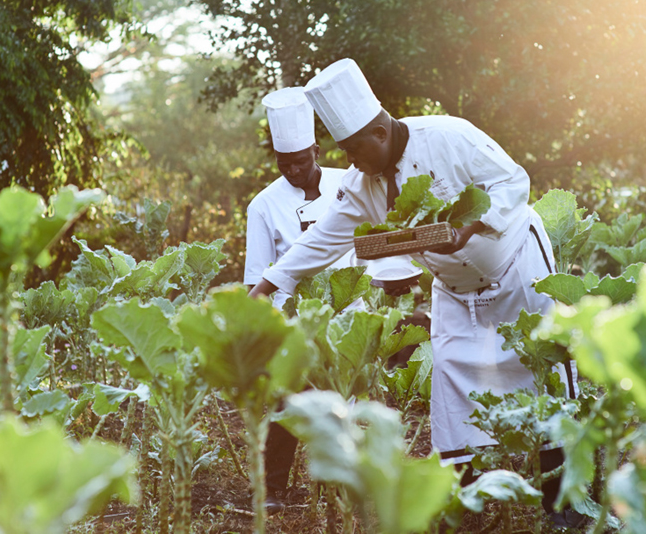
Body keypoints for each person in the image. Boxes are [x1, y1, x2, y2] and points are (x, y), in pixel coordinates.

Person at [249, 58, 579, 519]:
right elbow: (320, 239)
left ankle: (564, 503)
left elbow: (512, 181)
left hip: (518, 270)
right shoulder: (361, 184)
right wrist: (265, 287)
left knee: (544, 370)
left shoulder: (449, 135)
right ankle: (461, 506)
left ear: (380, 133)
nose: (350, 161)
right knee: (451, 381)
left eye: (354, 149)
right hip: (455, 290)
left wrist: (470, 227)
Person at [243, 86, 348, 510]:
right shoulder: (263, 205)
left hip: (347, 312)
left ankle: (341, 484)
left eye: (301, 161)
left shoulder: (347, 184)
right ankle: (273, 488)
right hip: (292, 319)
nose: (293, 170)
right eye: (284, 163)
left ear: (316, 151)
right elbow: (257, 278)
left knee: (344, 399)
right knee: (287, 402)